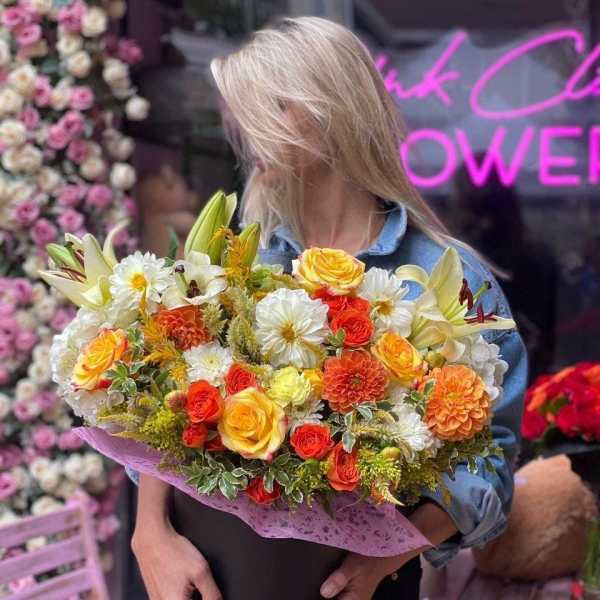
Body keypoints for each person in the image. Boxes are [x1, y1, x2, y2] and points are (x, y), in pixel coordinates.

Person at [130, 16, 527, 600]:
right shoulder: (239, 256)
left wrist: (385, 557)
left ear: (331, 111)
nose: (243, 127)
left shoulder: (448, 279)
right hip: (209, 577)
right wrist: (150, 533)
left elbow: (488, 465)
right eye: (240, 110)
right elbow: (158, 407)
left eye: (271, 107)